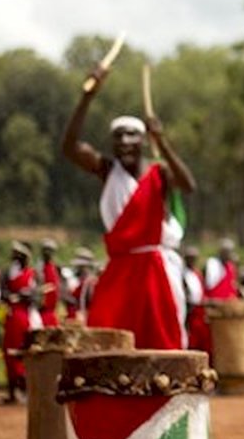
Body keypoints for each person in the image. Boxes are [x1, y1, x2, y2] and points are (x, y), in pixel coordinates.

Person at [61, 64, 198, 350]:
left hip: (156, 269)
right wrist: (87, 96)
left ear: (142, 141)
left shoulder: (159, 172)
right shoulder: (107, 170)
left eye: (131, 136)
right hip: (120, 270)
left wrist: (162, 140)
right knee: (107, 339)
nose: (124, 142)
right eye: (118, 137)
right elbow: (70, 147)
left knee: (163, 340)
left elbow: (188, 185)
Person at [2, 241, 42, 403]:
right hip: (12, 316)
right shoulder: (8, 273)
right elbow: (2, 293)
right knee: (9, 352)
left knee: (25, 351)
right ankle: (12, 392)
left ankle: (26, 389)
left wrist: (29, 296)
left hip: (27, 317)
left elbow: (39, 298)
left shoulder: (33, 275)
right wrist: (9, 296)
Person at [182, 246, 210, 354]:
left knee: (202, 338)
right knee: (190, 338)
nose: (192, 261)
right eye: (190, 258)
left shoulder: (197, 274)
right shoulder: (182, 274)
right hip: (189, 310)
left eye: (194, 258)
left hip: (200, 309)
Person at [37, 239, 62, 327]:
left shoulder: (55, 268)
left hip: (51, 311)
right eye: (46, 250)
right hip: (42, 310)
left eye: (50, 251)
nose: (48, 253)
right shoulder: (39, 268)